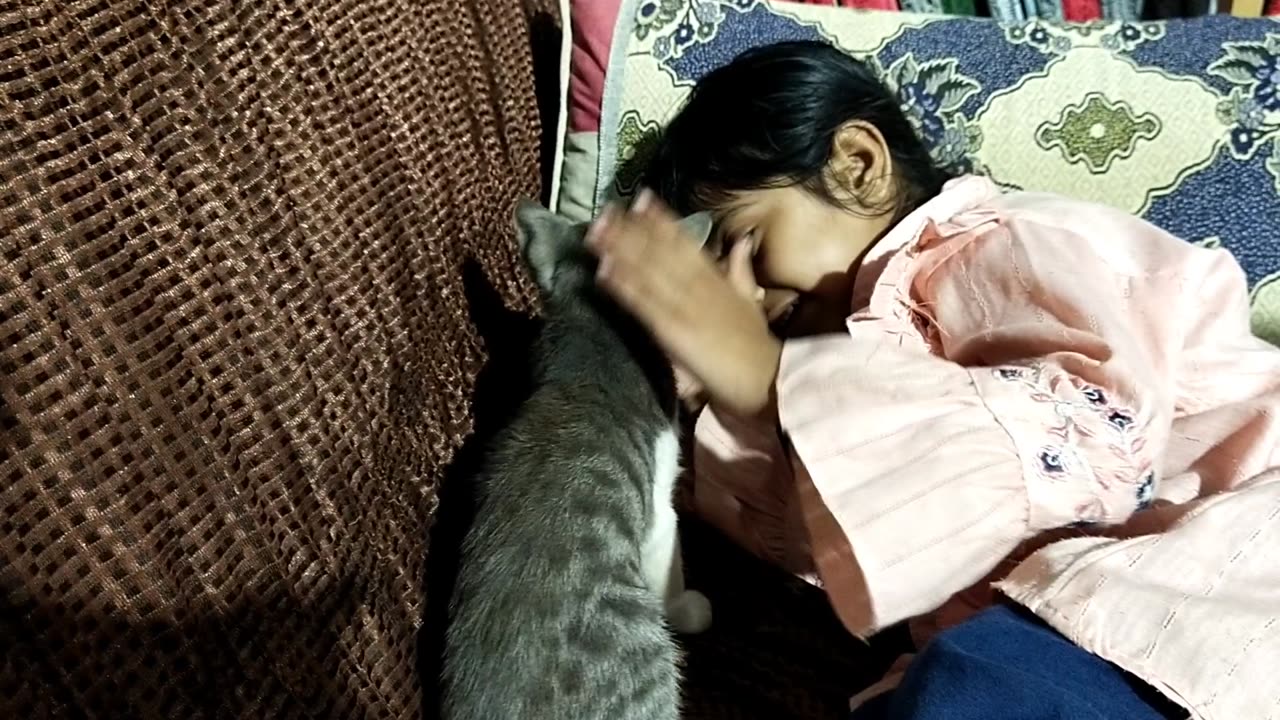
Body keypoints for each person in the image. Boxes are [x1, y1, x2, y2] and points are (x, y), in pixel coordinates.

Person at [584, 41, 1280, 720]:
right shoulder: (842, 353)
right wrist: (719, 400)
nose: (750, 299)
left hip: (1222, 567)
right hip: (1052, 622)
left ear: (859, 165)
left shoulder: (993, 244)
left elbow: (1098, 435)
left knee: (976, 683)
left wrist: (764, 373)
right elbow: (838, 545)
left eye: (752, 244)